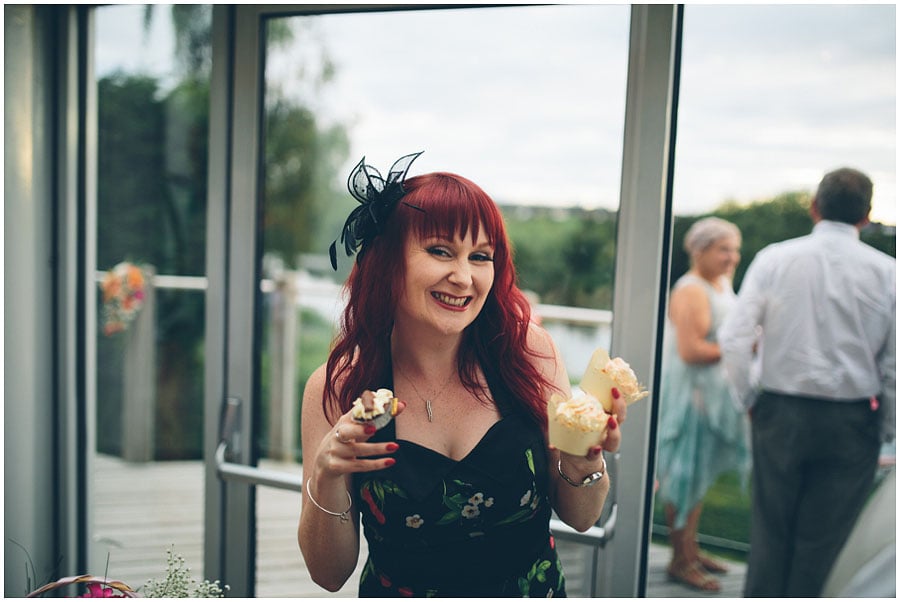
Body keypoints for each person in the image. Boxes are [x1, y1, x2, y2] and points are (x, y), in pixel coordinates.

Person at [297, 152, 627, 597]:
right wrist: (327, 474)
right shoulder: (339, 386)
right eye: (440, 251)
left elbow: (580, 516)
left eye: (480, 256)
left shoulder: (529, 352)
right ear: (388, 260)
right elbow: (328, 574)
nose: (464, 277)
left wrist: (586, 458)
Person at [718, 167, 896, 597]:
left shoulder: (774, 258)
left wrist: (750, 399)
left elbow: (733, 338)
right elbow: (893, 366)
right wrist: (887, 428)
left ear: (815, 207)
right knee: (823, 542)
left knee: (770, 534)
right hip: (853, 422)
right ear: (867, 215)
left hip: (779, 412)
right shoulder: (889, 272)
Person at [654, 217, 750, 592]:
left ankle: (691, 549)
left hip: (714, 395)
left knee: (700, 475)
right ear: (700, 250)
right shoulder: (691, 291)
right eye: (724, 249)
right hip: (690, 397)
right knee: (683, 473)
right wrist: (747, 347)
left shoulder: (721, 284)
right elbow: (691, 350)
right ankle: (679, 559)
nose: (733, 257)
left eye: (735, 248)